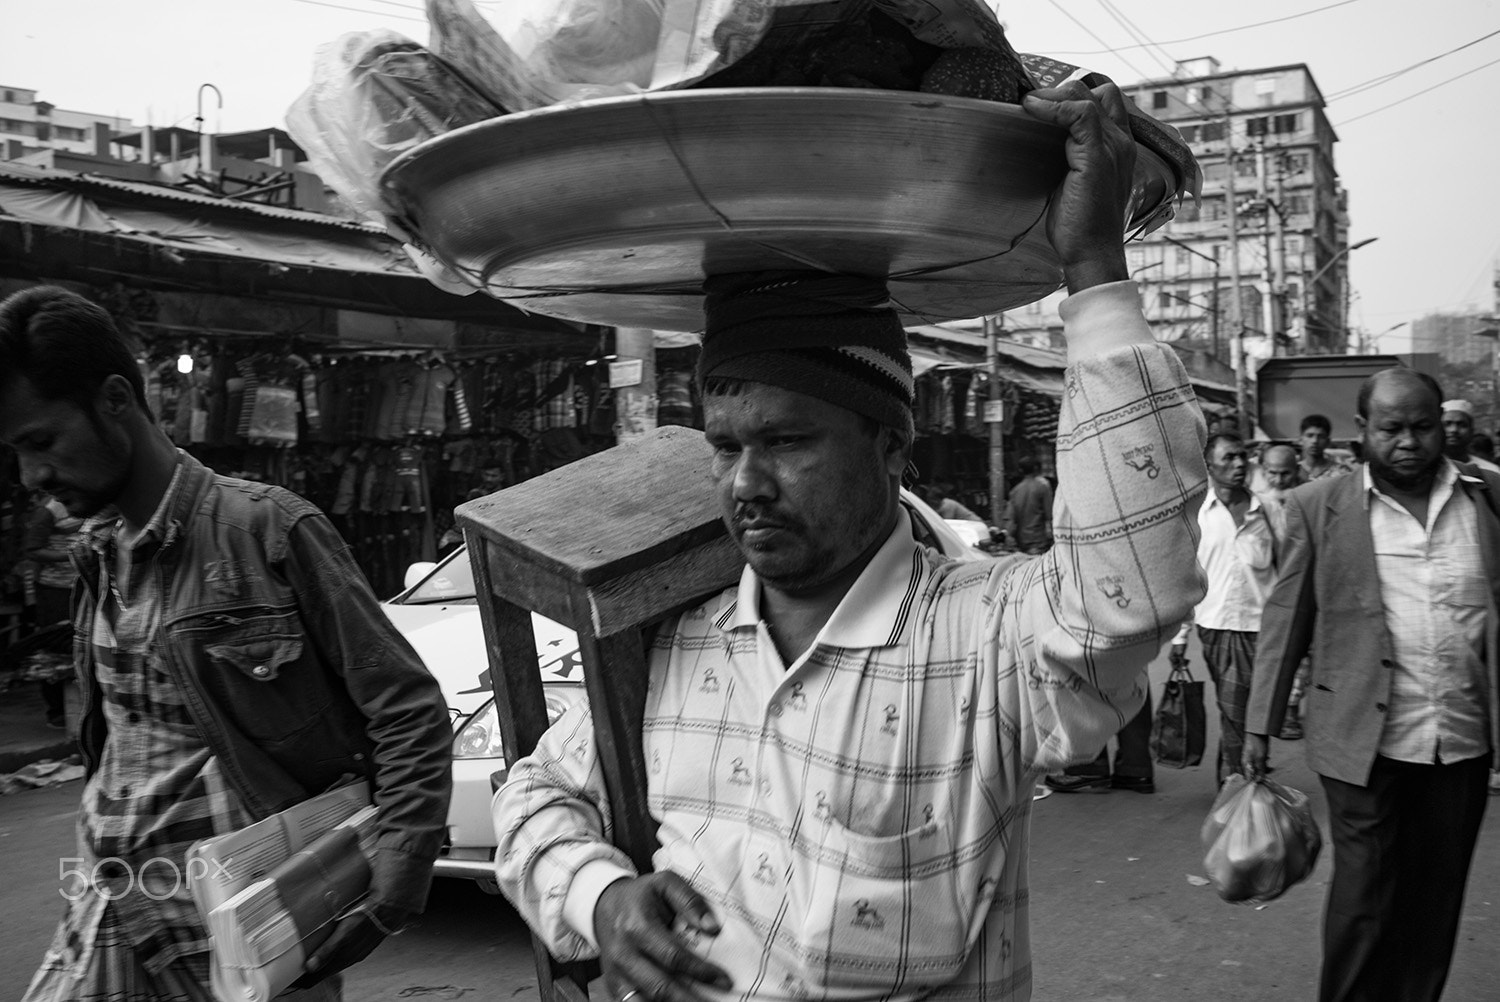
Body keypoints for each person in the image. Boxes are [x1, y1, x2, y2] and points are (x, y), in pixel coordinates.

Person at [491, 81, 1208, 1002]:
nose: (746, 483)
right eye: (726, 447)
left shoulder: (984, 635)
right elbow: (533, 797)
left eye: (787, 442)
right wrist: (602, 899)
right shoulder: (672, 638)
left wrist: (1095, 271)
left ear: (889, 447)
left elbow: (1135, 590)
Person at [0, 286, 454, 1002]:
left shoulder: (267, 530)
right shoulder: (96, 555)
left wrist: (402, 860)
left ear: (116, 399)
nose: (32, 478)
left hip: (250, 933)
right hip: (116, 908)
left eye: (42, 443)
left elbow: (406, 706)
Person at [1246, 368, 1498, 1002]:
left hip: (1460, 739)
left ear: (1442, 425)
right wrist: (1258, 727)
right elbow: (1286, 619)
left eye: (1422, 426)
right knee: (1365, 896)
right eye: (1391, 429)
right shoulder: (1319, 506)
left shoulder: (1487, 499)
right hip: (1361, 738)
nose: (1408, 442)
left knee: (1435, 897)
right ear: (1363, 432)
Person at [1170, 432, 1276, 785]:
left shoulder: (1269, 510)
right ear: (1209, 466)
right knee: (1234, 710)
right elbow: (1186, 577)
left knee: (1246, 710)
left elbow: (1287, 570)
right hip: (1214, 625)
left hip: (1261, 626)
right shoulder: (1197, 515)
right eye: (1229, 457)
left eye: (1242, 456)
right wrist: (1180, 637)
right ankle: (1238, 783)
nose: (1239, 464)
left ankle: (1237, 781)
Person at [1253, 443, 1309, 740]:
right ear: (1263, 472)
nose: (1278, 479)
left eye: (1285, 473)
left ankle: (1291, 709)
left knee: (1305, 655)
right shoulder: (1256, 503)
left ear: (1296, 471)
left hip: (1306, 588)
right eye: (1272, 473)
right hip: (1269, 593)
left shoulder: (1308, 498)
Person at [23, 490, 83, 728]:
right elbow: (32, 549)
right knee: (56, 647)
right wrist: (69, 556)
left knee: (83, 646)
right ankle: (57, 711)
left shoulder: (89, 500)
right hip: (55, 590)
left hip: (84, 586)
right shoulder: (47, 510)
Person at [1003, 455, 1054, 554]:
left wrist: (1009, 538)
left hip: (1022, 542)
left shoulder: (1015, 491)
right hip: (1039, 540)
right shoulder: (1042, 487)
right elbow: (1050, 515)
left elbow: (1010, 520)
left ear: (1021, 470)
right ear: (1036, 469)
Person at [1440, 397, 1500, 473]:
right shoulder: (1426, 470)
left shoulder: (1491, 471)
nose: (1454, 430)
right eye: (1447, 424)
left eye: (1461, 425)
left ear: (1472, 431)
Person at [1297, 413, 1354, 481]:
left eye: (1321, 437)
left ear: (1328, 441)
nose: (1315, 441)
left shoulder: (1342, 472)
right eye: (1310, 436)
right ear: (1301, 440)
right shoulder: (1293, 471)